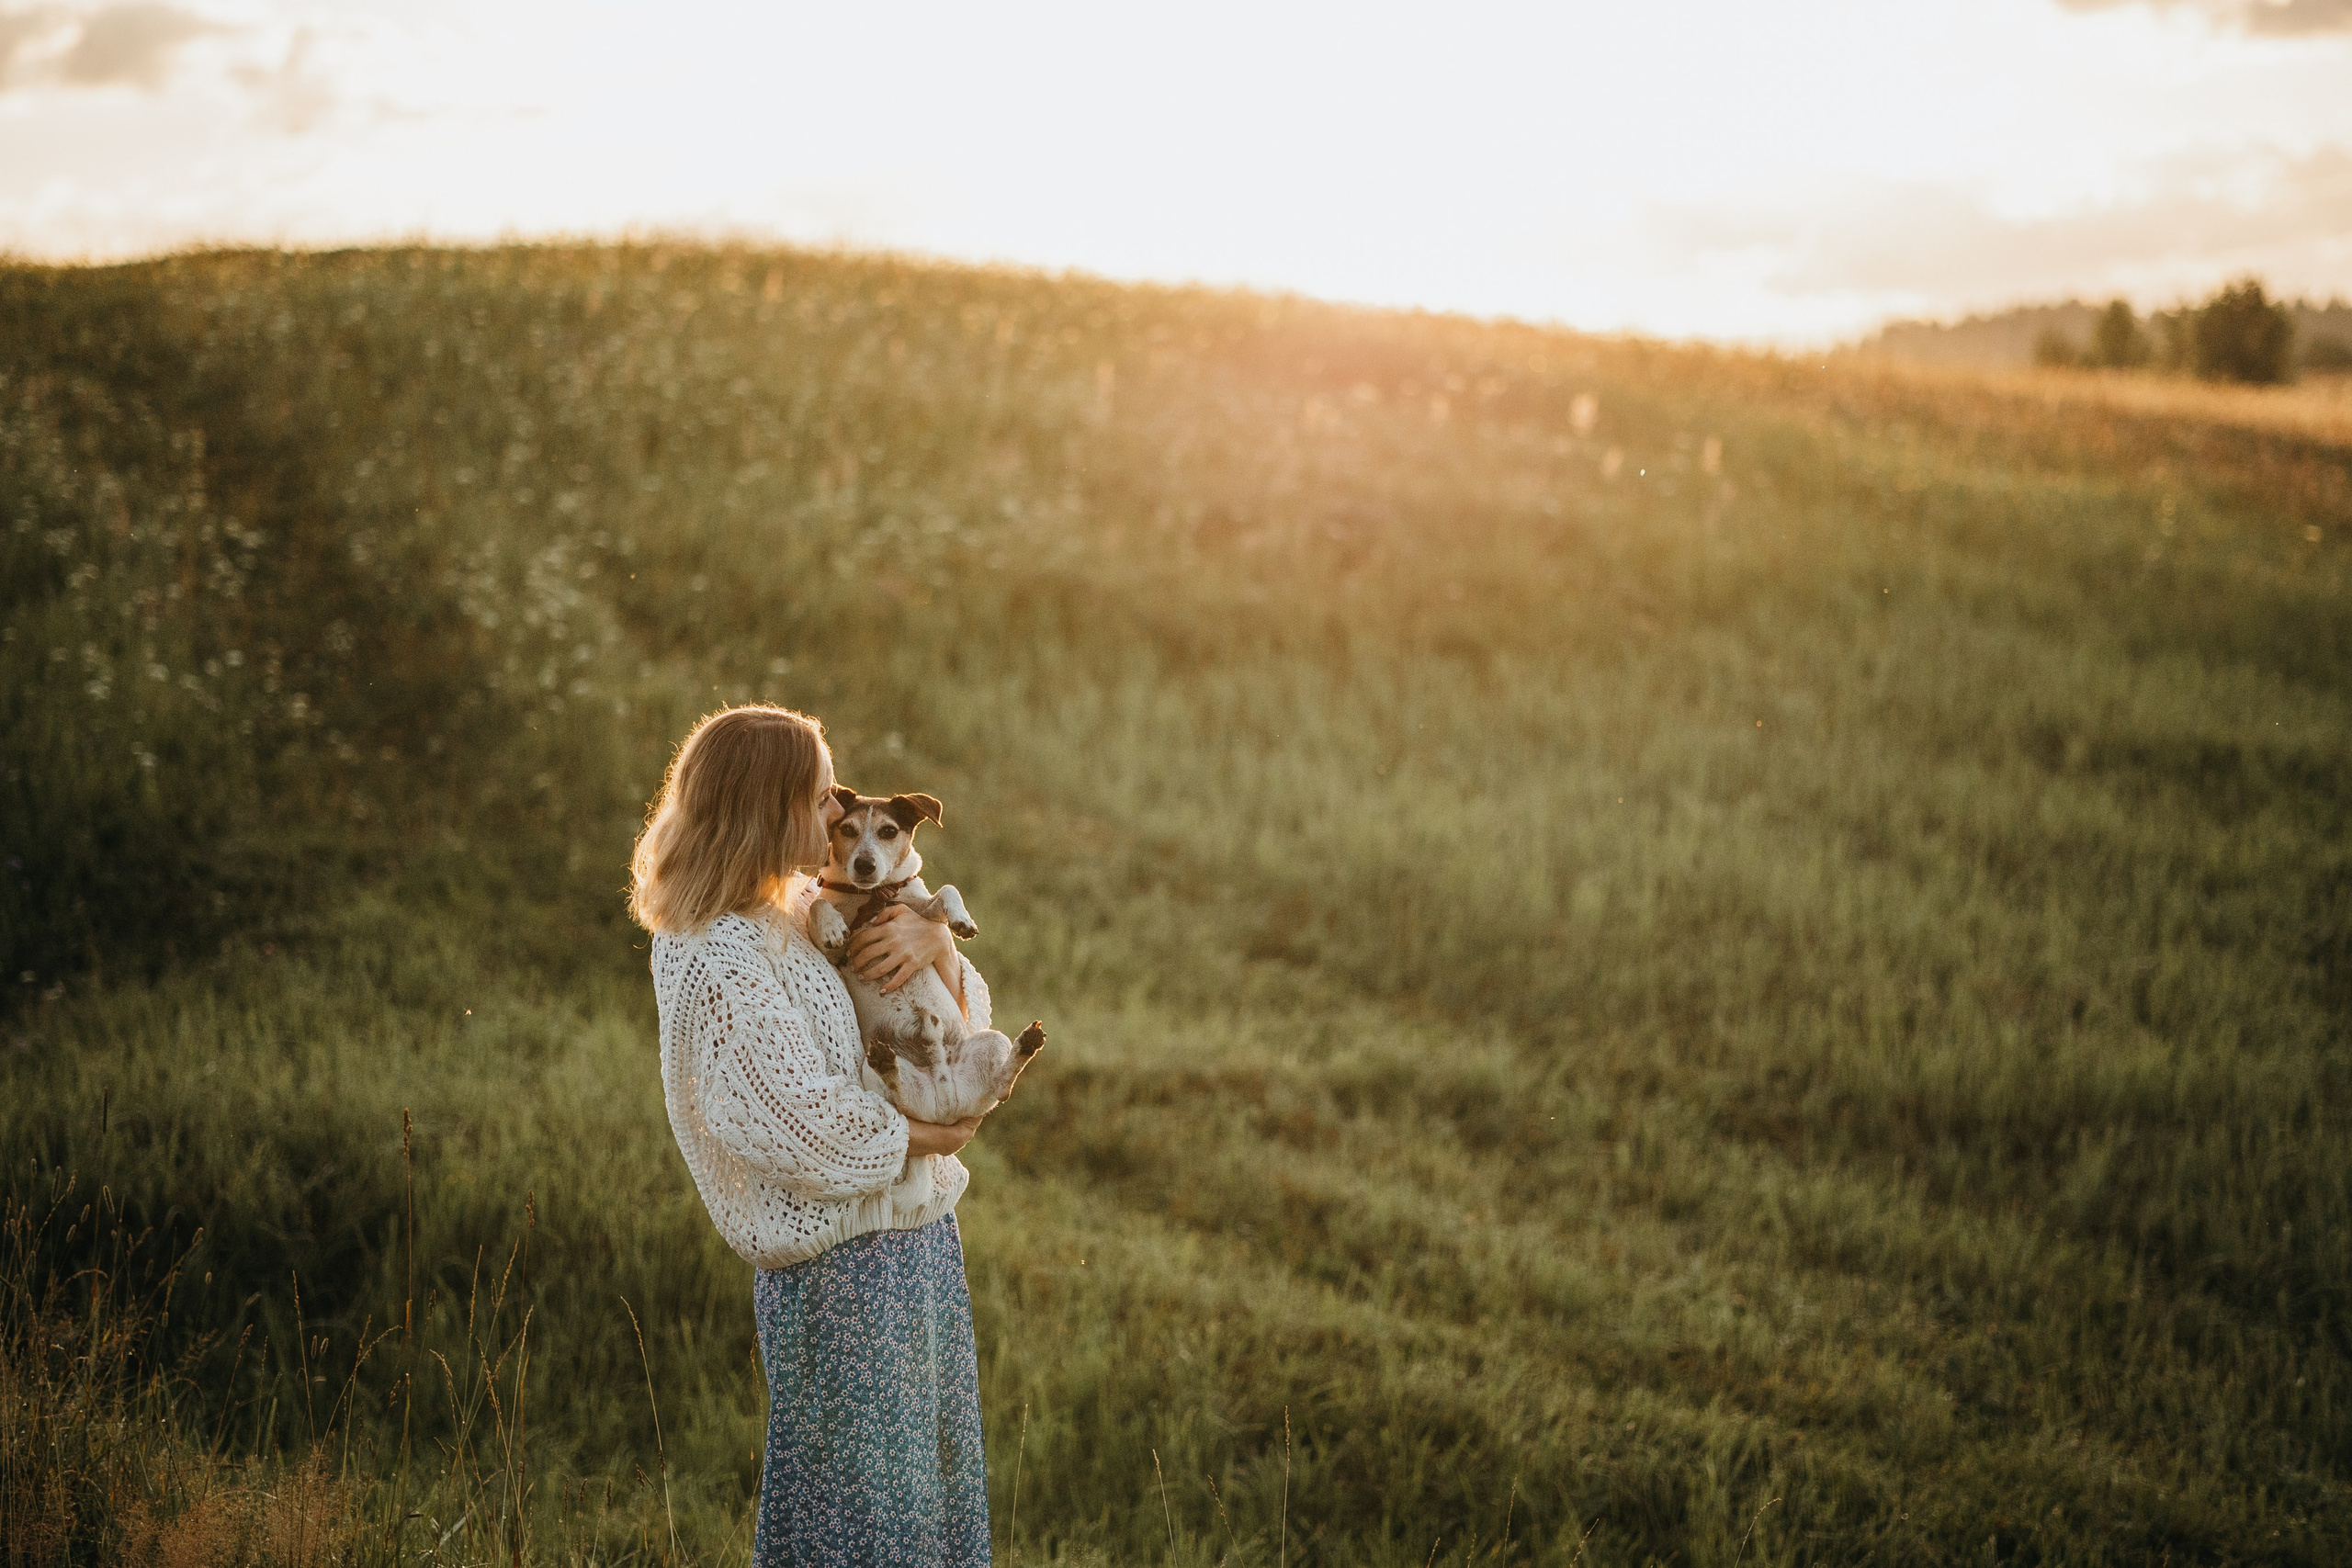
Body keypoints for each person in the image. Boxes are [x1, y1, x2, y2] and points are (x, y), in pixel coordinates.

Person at [629, 704, 994, 1566]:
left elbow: (964, 1024)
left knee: (921, 1521)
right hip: (843, 1275)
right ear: (768, 805)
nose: (838, 812)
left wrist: (933, 940)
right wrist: (924, 1135)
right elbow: (790, 1121)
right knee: (865, 1537)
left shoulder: (793, 908)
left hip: (915, 1247)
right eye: (823, 792)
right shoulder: (716, 950)